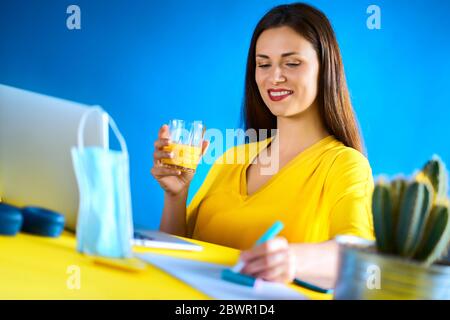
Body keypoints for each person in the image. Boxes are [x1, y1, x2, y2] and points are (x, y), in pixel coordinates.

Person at [151, 2, 374, 287]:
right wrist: (175, 197)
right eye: (263, 64)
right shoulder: (233, 157)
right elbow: (177, 256)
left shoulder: (344, 165)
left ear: (325, 68)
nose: (274, 77)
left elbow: (357, 257)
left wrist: (292, 261)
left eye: (292, 63)